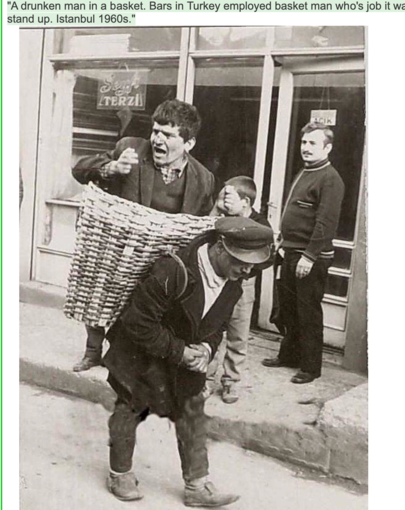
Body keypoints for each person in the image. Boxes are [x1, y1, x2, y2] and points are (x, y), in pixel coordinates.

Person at [103, 216, 274, 506]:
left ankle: (197, 486)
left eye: (252, 264)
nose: (247, 270)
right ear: (220, 248)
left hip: (186, 356)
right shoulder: (174, 269)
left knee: (192, 412)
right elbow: (138, 322)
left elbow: (218, 326)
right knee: (129, 407)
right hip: (140, 352)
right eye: (241, 261)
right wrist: (180, 352)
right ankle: (120, 473)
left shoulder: (234, 282)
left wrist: (206, 349)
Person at [71, 99, 216, 372]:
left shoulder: (204, 178)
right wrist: (111, 168)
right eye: (155, 131)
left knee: (143, 311)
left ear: (189, 143)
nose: (157, 139)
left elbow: (202, 225)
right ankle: (93, 351)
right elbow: (79, 169)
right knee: (100, 295)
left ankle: (126, 358)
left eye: (168, 135)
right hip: (121, 249)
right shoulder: (130, 148)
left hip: (164, 259)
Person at [262, 122, 345, 384]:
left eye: (313, 143)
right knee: (290, 309)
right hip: (291, 252)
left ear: (327, 148)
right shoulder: (306, 171)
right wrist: (283, 242)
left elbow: (325, 224)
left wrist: (309, 257)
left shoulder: (330, 179)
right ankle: (289, 356)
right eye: (304, 142)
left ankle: (311, 367)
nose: (306, 148)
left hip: (310, 257)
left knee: (308, 313)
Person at [203, 176, 272, 404]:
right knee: (210, 329)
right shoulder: (223, 218)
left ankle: (231, 381)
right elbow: (203, 234)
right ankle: (204, 379)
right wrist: (216, 208)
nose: (224, 200)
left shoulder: (260, 225)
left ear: (245, 201)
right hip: (219, 281)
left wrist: (244, 270)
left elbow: (268, 258)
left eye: (228, 197)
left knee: (238, 335)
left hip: (243, 284)